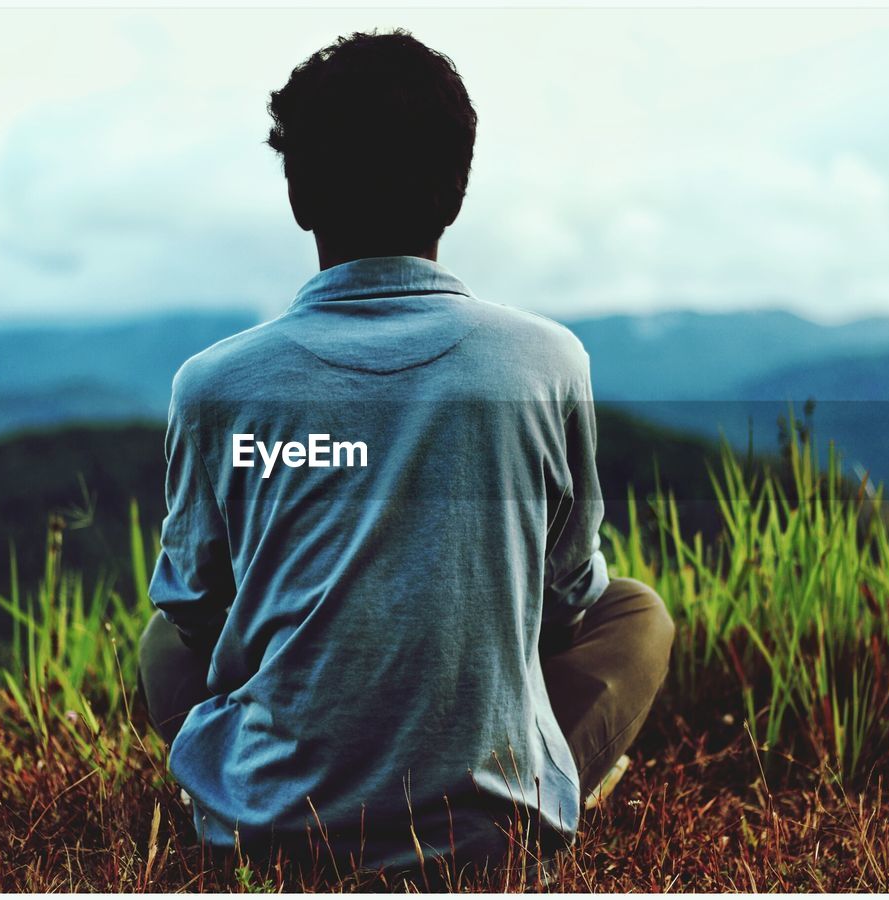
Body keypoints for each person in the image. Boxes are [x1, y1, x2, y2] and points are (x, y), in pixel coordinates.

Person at [137, 28, 674, 887]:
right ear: (455, 194)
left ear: (298, 196)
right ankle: (538, 787)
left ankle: (245, 782)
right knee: (638, 615)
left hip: (267, 832)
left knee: (162, 641)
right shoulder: (547, 362)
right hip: (486, 835)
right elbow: (569, 602)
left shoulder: (213, 385)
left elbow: (197, 613)